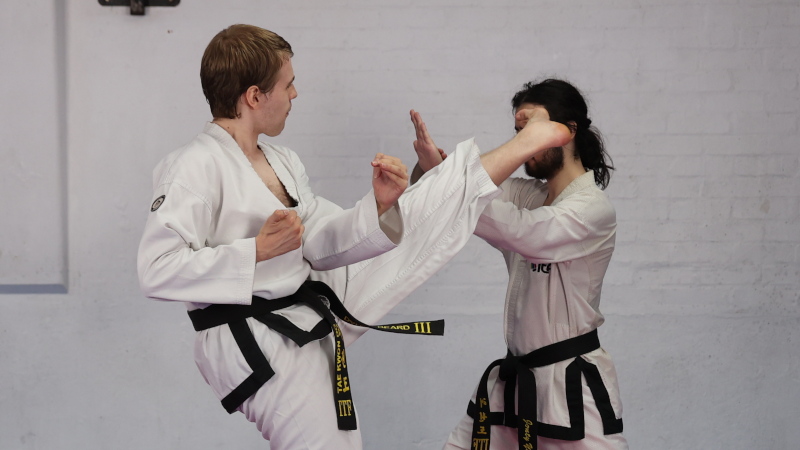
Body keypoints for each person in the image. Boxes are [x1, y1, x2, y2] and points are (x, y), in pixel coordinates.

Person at [137, 24, 571, 450]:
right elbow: (156, 271)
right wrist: (255, 251)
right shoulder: (192, 166)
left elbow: (322, 244)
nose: (295, 94)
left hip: (308, 306)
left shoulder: (281, 160)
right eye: (287, 85)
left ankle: (508, 153)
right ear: (254, 96)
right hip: (255, 334)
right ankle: (519, 146)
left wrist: (378, 206)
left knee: (413, 216)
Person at [410, 79, 627, 450]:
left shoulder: (592, 209)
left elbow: (519, 232)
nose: (523, 140)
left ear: (569, 130)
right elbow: (461, 195)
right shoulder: (529, 194)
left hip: (571, 387)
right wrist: (435, 172)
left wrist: (452, 184)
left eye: (532, 129)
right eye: (518, 131)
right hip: (512, 382)